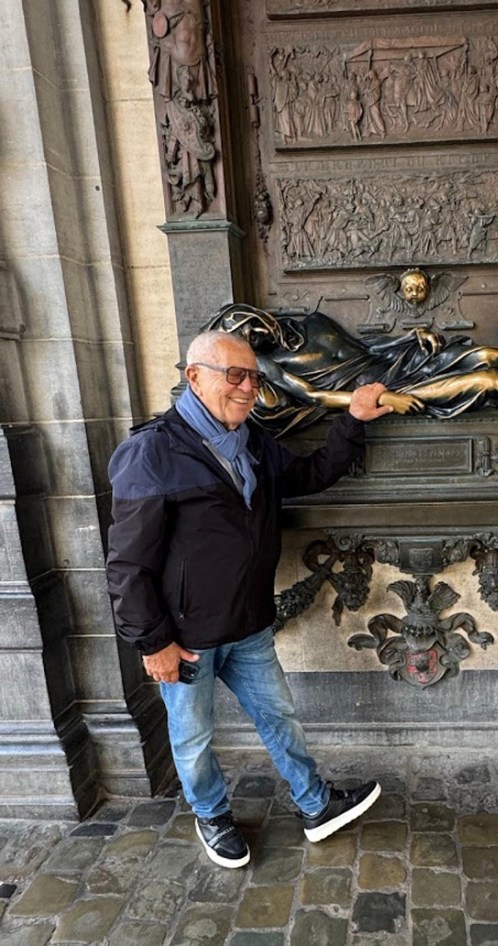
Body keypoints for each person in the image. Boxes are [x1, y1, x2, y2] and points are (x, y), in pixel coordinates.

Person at [106, 330, 394, 868]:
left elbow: (310, 473)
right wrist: (154, 643)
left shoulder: (253, 440)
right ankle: (212, 815)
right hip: (185, 638)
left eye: (254, 378)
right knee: (193, 739)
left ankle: (315, 804)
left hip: (249, 624)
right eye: (233, 376)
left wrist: (351, 420)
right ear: (193, 377)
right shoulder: (152, 453)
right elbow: (127, 565)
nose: (246, 389)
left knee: (280, 717)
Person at [204, 303, 498, 434]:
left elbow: (364, 347)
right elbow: (314, 396)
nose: (252, 333)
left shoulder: (312, 322)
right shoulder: (270, 365)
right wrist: (380, 398)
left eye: (248, 322)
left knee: (488, 354)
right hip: (382, 394)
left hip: (396, 363)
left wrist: (407, 338)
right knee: (486, 380)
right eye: (242, 334)